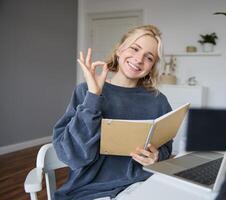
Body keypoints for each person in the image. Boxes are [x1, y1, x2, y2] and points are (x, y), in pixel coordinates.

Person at [52, 25, 173, 200]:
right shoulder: (86, 92)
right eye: (135, 48)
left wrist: (157, 156)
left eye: (149, 57)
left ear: (152, 66)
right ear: (119, 49)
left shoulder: (158, 100)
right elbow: (73, 156)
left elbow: (165, 146)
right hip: (90, 191)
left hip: (141, 186)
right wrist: (94, 96)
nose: (139, 59)